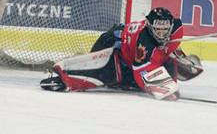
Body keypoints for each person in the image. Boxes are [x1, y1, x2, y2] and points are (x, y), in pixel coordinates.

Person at [40, 7, 203, 100]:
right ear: (149, 25)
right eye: (157, 29)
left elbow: (169, 47)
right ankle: (63, 75)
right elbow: (143, 72)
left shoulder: (177, 29)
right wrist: (165, 89)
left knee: (158, 67)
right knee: (106, 75)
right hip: (113, 44)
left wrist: (179, 56)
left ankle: (123, 80)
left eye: (164, 29)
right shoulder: (143, 43)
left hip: (130, 55)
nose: (162, 33)